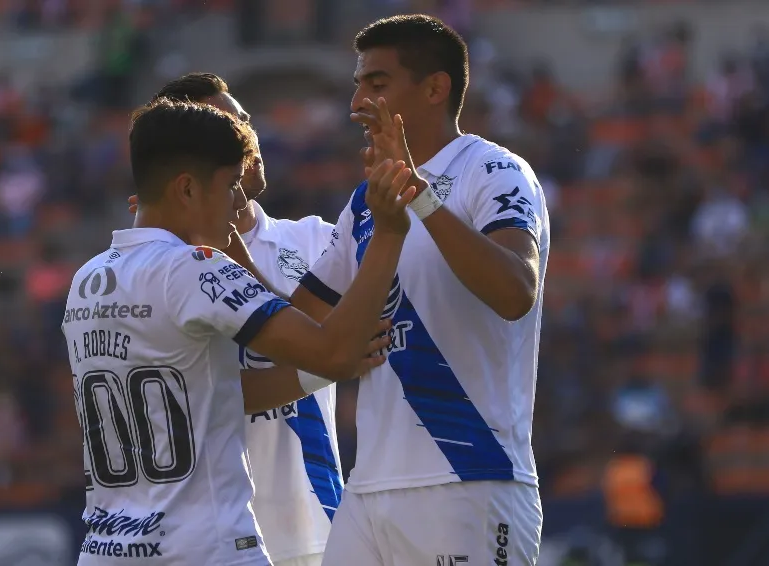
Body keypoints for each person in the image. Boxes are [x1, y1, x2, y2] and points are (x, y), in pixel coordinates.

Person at [64, 97, 417, 565]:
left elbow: (218, 392)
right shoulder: (194, 268)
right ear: (186, 189)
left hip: (108, 549)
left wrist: (326, 368)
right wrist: (390, 231)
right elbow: (331, 350)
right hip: (204, 548)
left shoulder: (86, 280)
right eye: (231, 185)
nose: (238, 204)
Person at [288, 15, 551, 565]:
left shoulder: (494, 169)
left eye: (376, 84)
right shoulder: (365, 201)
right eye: (357, 84)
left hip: (469, 479)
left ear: (436, 88)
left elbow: (515, 290)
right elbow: (297, 322)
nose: (358, 102)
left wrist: (421, 197)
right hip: (368, 489)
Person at [127, 73, 344, 566]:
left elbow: (347, 345)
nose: (248, 136)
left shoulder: (316, 240)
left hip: (318, 526)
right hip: (206, 539)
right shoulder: (157, 267)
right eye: (229, 125)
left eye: (245, 119)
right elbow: (184, 395)